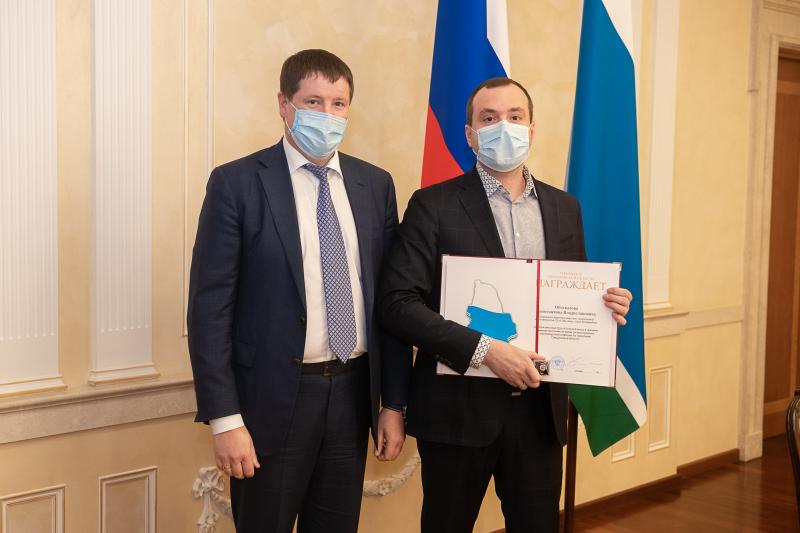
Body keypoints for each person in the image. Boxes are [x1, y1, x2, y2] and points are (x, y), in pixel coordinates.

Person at [378, 77, 633, 533]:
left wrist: (605, 305)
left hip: (539, 414)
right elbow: (397, 304)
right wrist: (485, 350)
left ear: (531, 130)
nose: (504, 127)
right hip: (457, 413)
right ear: (470, 134)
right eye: (489, 118)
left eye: (515, 117)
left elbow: (568, 295)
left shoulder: (565, 208)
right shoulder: (433, 205)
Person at [187, 49, 411, 533]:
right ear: (284, 105)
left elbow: (390, 305)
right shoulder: (236, 183)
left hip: (353, 395)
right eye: (313, 101)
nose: (326, 114)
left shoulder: (375, 185)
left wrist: (393, 404)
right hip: (269, 403)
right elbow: (209, 311)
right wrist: (225, 419)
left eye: (338, 103)